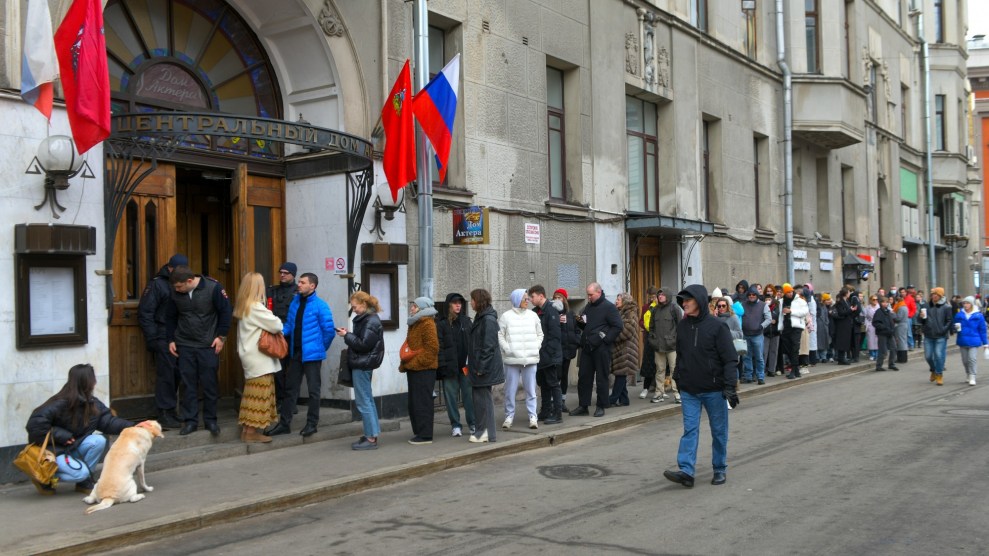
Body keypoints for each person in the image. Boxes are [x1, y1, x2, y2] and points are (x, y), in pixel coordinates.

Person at [663, 285, 738, 488]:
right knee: (690, 430)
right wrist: (678, 375)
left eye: (688, 300)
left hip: (714, 389)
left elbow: (730, 359)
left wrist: (730, 387)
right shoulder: (683, 327)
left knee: (719, 431)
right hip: (689, 390)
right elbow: (682, 354)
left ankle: (719, 468)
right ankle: (686, 471)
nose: (684, 304)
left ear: (699, 301)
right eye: (682, 301)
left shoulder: (717, 327)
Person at [25, 364, 134, 495]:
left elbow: (108, 421)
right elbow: (34, 425)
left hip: (73, 447)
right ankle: (43, 475)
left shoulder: (91, 402)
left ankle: (83, 483)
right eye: (93, 379)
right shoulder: (60, 402)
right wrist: (61, 435)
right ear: (87, 382)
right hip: (54, 453)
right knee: (81, 473)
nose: (95, 382)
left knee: (98, 440)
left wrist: (134, 426)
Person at [165, 265, 233, 436]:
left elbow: (226, 312)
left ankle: (210, 420)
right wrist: (171, 339)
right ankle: (190, 421)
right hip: (185, 344)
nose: (176, 289)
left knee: (209, 384)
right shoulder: (175, 292)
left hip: (208, 344)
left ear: (189, 281)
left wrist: (221, 337)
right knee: (188, 385)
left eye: (179, 286)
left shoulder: (213, 288)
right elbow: (170, 316)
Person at [266, 273, 335, 437]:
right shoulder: (295, 302)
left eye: (303, 282)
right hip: (296, 353)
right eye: (299, 281)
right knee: (290, 389)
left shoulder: (321, 305)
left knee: (313, 391)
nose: (299, 284)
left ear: (313, 286)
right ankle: (284, 424)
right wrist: (280, 333)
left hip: (312, 356)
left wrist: (319, 348)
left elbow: (329, 332)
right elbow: (289, 325)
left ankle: (312, 424)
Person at [136, 253, 188, 429]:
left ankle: (172, 411)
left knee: (177, 374)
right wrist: (152, 338)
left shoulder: (184, 282)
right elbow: (146, 313)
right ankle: (165, 412)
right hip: (162, 336)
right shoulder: (157, 284)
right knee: (166, 375)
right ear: (170, 268)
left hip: (180, 336)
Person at [233, 272, 283, 443]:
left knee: (252, 395)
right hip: (260, 357)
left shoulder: (243, 306)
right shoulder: (255, 307)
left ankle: (248, 431)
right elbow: (277, 325)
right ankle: (252, 433)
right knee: (260, 396)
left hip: (250, 356)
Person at [339, 291, 385, 450]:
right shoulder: (368, 319)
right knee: (367, 400)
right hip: (363, 363)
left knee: (364, 401)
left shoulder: (370, 321)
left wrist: (346, 336)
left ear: (364, 305)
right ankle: (371, 434)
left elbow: (364, 344)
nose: (354, 310)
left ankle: (371, 438)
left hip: (362, 364)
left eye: (355, 306)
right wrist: (349, 334)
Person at [572, 282, 623, 417]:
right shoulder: (588, 307)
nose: (589, 297)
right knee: (584, 377)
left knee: (601, 378)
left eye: (591, 295)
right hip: (587, 347)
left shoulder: (609, 307)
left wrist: (606, 339)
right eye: (588, 295)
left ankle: (601, 405)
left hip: (601, 348)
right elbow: (587, 326)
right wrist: (580, 322)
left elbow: (617, 326)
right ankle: (583, 405)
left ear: (599, 293)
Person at [499, 289, 543, 429]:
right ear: (517, 299)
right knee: (510, 390)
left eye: (528, 298)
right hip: (512, 360)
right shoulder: (506, 316)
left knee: (531, 390)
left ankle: (532, 417)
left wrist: (536, 347)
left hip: (530, 359)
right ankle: (509, 416)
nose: (527, 300)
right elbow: (500, 335)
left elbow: (540, 334)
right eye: (525, 298)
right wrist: (507, 349)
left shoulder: (533, 315)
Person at [399, 297, 440, 444]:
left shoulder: (427, 323)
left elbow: (432, 349)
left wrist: (414, 363)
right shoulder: (415, 322)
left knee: (423, 402)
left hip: (424, 369)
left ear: (422, 308)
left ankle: (425, 435)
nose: (412, 308)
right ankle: (419, 431)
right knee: (415, 402)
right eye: (412, 305)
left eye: (415, 306)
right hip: (415, 369)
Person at [468, 289, 504, 443]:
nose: (470, 303)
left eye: (472, 300)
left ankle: (486, 433)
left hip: (484, 368)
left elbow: (488, 347)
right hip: (480, 366)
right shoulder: (482, 317)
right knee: (480, 400)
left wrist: (481, 368)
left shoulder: (487, 320)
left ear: (479, 301)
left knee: (484, 400)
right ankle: (482, 431)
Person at [436, 292, 475, 438]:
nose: (458, 305)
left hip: (465, 367)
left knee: (469, 397)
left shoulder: (466, 321)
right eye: (455, 303)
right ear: (449, 305)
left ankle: (472, 423)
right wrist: (443, 366)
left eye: (460, 303)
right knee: (451, 398)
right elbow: (439, 347)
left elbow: (473, 343)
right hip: (450, 368)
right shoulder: (442, 323)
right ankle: (456, 425)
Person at [529, 285, 564, 424]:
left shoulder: (551, 311)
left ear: (541, 296)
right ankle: (545, 410)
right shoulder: (536, 312)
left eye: (533, 297)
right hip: (540, 356)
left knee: (553, 384)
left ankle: (557, 413)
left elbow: (555, 336)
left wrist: (547, 353)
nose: (531, 299)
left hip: (550, 356)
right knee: (543, 384)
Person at [266, 262, 298, 415]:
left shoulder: (298, 292)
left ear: (293, 275)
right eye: (281, 272)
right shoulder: (272, 291)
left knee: (293, 372)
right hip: (277, 336)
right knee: (278, 370)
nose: (282, 275)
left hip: (293, 337)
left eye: (286, 272)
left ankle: (291, 402)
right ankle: (280, 400)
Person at [646, 288, 682, 402]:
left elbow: (680, 326)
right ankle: (659, 393)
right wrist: (653, 339)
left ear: (667, 295)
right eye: (659, 295)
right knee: (660, 370)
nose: (660, 296)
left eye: (662, 294)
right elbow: (651, 327)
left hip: (672, 346)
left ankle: (677, 394)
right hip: (658, 346)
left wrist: (676, 340)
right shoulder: (655, 310)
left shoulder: (674, 308)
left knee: (674, 370)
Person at [609, 292, 640, 407]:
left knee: (621, 375)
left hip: (627, 350)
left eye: (619, 299)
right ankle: (624, 400)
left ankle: (612, 399)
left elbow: (625, 332)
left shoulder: (630, 313)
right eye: (617, 299)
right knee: (620, 374)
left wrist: (610, 335)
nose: (616, 301)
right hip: (621, 349)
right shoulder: (621, 312)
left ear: (625, 301)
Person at [553, 289, 580, 412]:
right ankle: (554, 402)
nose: (558, 299)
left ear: (565, 299)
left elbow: (576, 330)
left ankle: (562, 401)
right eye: (556, 297)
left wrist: (576, 341)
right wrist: (556, 321)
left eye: (560, 297)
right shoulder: (552, 313)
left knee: (564, 376)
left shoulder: (570, 314)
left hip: (568, 349)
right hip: (556, 350)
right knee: (556, 376)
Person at [921, 287, 953, 385]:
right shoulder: (926, 305)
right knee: (928, 356)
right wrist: (921, 317)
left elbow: (949, 321)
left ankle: (939, 374)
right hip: (928, 335)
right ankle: (934, 370)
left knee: (939, 355)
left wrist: (943, 330)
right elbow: (921, 321)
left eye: (936, 294)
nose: (934, 296)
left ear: (940, 295)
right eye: (932, 294)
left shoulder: (946, 307)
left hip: (940, 336)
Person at [740, 286, 771, 385]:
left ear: (757, 295)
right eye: (749, 294)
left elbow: (768, 319)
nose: (751, 296)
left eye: (753, 294)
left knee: (759, 357)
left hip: (757, 334)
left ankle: (760, 377)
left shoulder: (763, 305)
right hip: (745, 334)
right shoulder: (742, 304)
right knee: (746, 357)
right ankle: (748, 376)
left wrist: (761, 326)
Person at [954, 296, 988, 386]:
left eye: (967, 303)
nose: (965, 305)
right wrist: (955, 328)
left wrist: (985, 343)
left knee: (972, 359)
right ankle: (968, 373)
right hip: (963, 340)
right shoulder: (959, 315)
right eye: (964, 303)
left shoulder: (978, 315)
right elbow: (954, 326)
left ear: (972, 304)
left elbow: (982, 330)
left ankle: (972, 376)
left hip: (974, 340)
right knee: (965, 360)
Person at [779, 283, 808, 379]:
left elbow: (804, 312)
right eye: (787, 292)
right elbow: (780, 314)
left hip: (796, 327)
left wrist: (791, 311)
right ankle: (796, 369)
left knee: (795, 347)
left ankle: (794, 370)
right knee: (787, 348)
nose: (790, 294)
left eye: (791, 291)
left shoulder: (800, 300)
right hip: (786, 327)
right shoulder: (781, 301)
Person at [871, 295, 897, 371]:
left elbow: (891, 321)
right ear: (880, 303)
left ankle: (891, 364)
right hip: (882, 333)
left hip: (890, 333)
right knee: (883, 350)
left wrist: (892, 329)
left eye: (886, 302)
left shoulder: (888, 311)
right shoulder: (878, 312)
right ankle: (879, 366)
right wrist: (884, 327)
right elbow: (875, 323)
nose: (885, 304)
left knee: (894, 348)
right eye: (883, 302)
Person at [763, 285, 782, 376]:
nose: (769, 293)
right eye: (767, 291)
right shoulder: (762, 305)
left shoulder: (777, 304)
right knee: (764, 352)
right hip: (765, 332)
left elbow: (781, 317)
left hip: (775, 331)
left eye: (771, 291)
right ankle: (762, 370)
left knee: (774, 351)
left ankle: (772, 370)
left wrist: (776, 321)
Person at [832, 289, 854, 365]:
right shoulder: (840, 302)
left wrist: (851, 310)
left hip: (847, 323)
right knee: (842, 341)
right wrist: (850, 310)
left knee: (845, 341)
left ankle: (842, 358)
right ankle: (841, 359)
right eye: (848, 292)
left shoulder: (847, 301)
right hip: (842, 324)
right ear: (845, 293)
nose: (849, 294)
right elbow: (841, 313)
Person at [816, 293, 833, 363]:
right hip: (817, 326)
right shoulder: (817, 306)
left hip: (824, 327)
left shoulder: (824, 307)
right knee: (817, 342)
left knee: (825, 342)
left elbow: (826, 316)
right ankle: (817, 357)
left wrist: (826, 323)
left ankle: (823, 357)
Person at [864, 295, 880, 361]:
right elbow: (865, 316)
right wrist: (866, 324)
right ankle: (872, 354)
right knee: (871, 340)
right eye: (873, 299)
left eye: (876, 299)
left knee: (877, 340)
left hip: (878, 325)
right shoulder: (867, 308)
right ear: (870, 300)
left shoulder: (879, 307)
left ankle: (877, 354)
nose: (875, 300)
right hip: (870, 325)